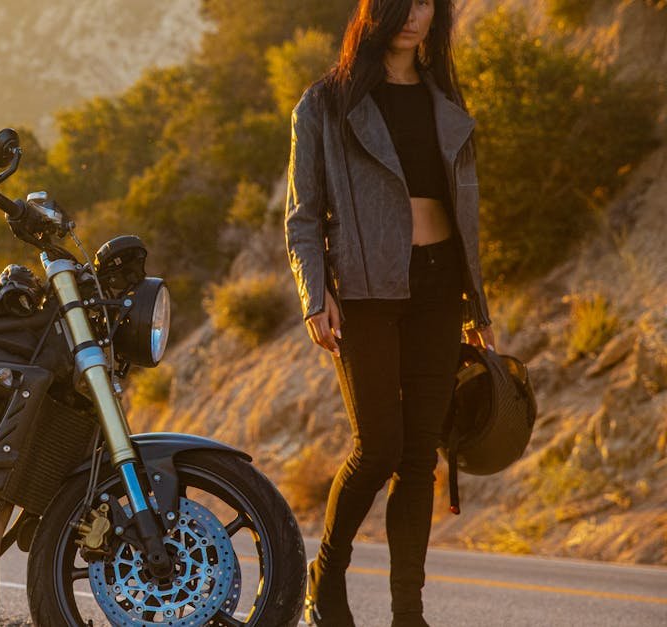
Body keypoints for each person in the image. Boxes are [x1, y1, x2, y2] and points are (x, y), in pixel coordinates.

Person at [283, 0, 497, 625]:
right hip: (365, 290)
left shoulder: (444, 99)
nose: (413, 15)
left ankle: (409, 613)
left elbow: (466, 215)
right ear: (374, 10)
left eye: (425, 2)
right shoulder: (324, 103)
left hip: (440, 287)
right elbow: (302, 216)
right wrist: (314, 294)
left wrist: (477, 304)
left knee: (420, 457)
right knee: (378, 447)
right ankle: (326, 575)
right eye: (400, 2)